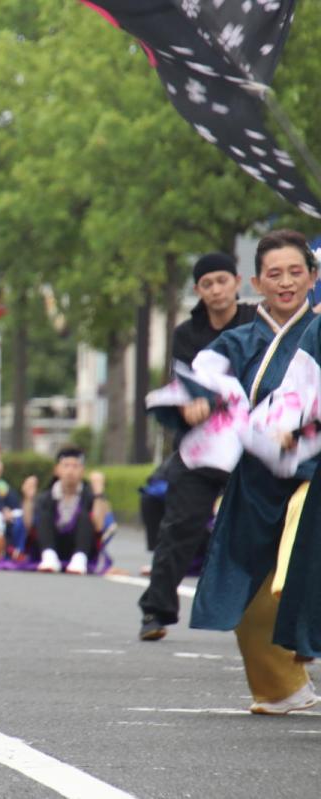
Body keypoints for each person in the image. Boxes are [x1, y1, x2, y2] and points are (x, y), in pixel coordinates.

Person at [190, 229, 320, 714]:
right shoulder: (237, 341)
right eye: (274, 274)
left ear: (313, 276)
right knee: (246, 593)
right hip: (256, 480)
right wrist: (199, 406)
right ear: (256, 282)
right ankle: (283, 687)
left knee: (295, 576)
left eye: (295, 272)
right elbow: (203, 385)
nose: (286, 283)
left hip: (313, 475)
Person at [139, 252, 258, 640]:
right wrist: (190, 405)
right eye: (207, 284)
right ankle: (155, 612)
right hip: (201, 444)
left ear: (237, 282)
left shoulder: (256, 323)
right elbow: (184, 384)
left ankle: (270, 619)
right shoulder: (186, 333)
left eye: (222, 281)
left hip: (252, 443)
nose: (216, 290)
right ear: (197, 290)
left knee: (265, 528)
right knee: (179, 525)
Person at [33, 448, 113, 575]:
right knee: (44, 515)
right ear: (57, 470)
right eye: (66, 466)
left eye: (75, 466)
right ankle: (49, 556)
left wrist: (99, 493)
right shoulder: (46, 497)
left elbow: (99, 526)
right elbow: (30, 526)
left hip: (81, 547)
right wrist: (28, 499)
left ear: (82, 471)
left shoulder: (89, 496)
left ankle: (79, 558)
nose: (70, 471)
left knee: (85, 516)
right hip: (54, 543)